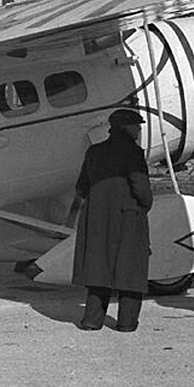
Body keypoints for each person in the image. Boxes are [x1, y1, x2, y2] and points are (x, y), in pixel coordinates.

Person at [72, 108, 153, 332]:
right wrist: (145, 205)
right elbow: (141, 186)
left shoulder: (94, 152)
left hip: (96, 217)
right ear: (125, 127)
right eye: (136, 126)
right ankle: (126, 322)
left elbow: (81, 187)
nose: (138, 130)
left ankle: (91, 320)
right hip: (128, 216)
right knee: (130, 269)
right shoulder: (133, 153)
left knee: (99, 268)